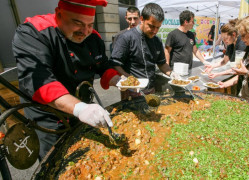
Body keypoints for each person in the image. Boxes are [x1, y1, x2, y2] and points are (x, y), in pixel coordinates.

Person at [12, 0, 121, 160]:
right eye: (77, 23)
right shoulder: (34, 33)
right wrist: (80, 108)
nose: (85, 31)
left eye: (90, 24)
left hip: (83, 111)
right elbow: (40, 82)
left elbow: (103, 65)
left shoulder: (94, 38)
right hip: (50, 119)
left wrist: (119, 80)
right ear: (59, 14)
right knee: (57, 161)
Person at [110, 3, 178, 100]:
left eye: (158, 27)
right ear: (142, 19)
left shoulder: (157, 41)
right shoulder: (126, 37)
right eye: (151, 26)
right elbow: (115, 64)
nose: (155, 31)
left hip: (151, 89)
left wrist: (171, 73)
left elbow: (162, 63)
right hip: (131, 91)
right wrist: (129, 78)